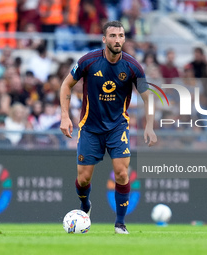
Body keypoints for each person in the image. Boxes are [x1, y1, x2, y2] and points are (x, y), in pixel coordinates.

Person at [59, 20, 156, 234]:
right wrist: (65, 116)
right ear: (104, 39)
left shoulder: (132, 66)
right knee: (84, 178)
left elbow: (148, 97)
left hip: (117, 127)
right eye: (112, 36)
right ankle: (85, 205)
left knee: (122, 173)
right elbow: (66, 84)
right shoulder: (89, 61)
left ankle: (120, 223)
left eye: (121, 36)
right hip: (90, 127)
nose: (117, 40)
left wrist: (149, 125)